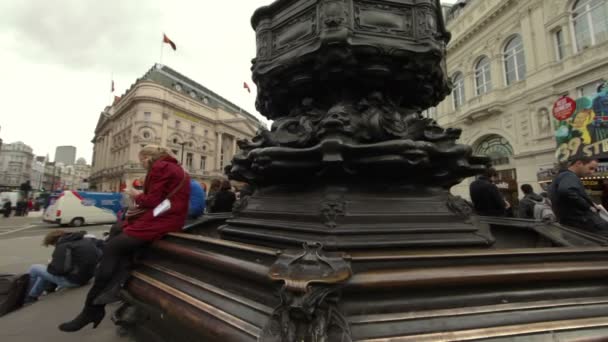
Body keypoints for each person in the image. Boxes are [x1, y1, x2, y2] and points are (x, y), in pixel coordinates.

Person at [59, 145, 190, 332]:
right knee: (117, 231)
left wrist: (135, 194)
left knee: (113, 247)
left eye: (141, 161)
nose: (142, 165)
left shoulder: (160, 167)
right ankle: (102, 299)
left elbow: (152, 200)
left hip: (163, 219)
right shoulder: (175, 167)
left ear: (147, 158)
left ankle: (92, 309)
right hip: (169, 217)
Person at [24, 230, 100, 304]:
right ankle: (33, 295)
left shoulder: (63, 246)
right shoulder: (85, 241)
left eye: (52, 244)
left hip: (74, 281)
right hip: (88, 277)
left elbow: (59, 270)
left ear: (54, 241)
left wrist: (51, 265)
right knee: (44, 272)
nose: (54, 246)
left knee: (34, 268)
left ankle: (26, 297)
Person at [549, 156, 608, 233]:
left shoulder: (561, 177)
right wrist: (588, 206)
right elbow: (566, 191)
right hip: (585, 224)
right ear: (579, 163)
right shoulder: (569, 175)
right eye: (590, 168)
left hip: (574, 226)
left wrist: (589, 203)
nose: (592, 172)